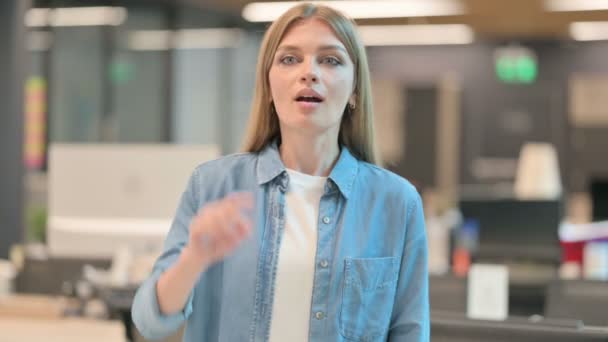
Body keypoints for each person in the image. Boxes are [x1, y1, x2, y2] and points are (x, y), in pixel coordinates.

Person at [132, 3, 429, 341]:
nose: (309, 72)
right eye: (290, 59)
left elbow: (410, 332)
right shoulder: (212, 185)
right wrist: (193, 258)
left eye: (330, 60)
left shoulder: (396, 202)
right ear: (268, 85)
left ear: (355, 91)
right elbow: (150, 322)